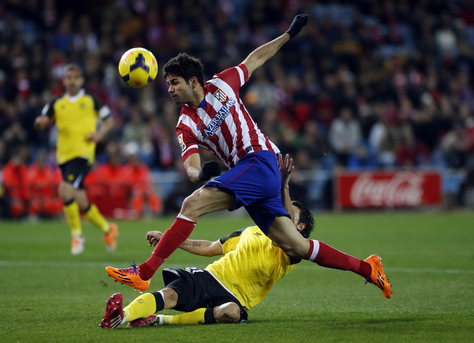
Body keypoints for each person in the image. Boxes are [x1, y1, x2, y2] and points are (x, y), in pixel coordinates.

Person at [106, 15, 391, 299]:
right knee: (296, 247)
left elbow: (256, 58)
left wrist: (288, 34)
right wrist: (201, 174)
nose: (169, 90)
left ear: (194, 81)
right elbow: (191, 167)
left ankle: (143, 273)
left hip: (261, 160)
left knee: (191, 204)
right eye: (168, 84)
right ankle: (368, 268)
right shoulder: (185, 124)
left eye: (175, 82)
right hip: (252, 177)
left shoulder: (223, 84)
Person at [100, 156, 389, 329]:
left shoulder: (290, 250)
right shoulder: (249, 231)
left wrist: (284, 184)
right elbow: (212, 247)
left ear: (299, 227)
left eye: (291, 216)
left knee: (231, 314)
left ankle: (158, 321)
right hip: (214, 276)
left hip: (236, 298)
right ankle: (121, 316)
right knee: (170, 295)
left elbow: (286, 221)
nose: (280, 215)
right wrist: (172, 241)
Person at [34, 63, 118, 255]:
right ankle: (108, 229)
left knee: (64, 190)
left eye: (75, 77)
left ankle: (77, 235)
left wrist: (99, 135)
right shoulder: (56, 103)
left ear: (81, 80)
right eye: (68, 78)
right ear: (64, 81)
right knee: (79, 198)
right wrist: (40, 123)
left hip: (83, 154)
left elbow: (109, 119)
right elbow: (42, 121)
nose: (72, 81)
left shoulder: (91, 101)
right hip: (63, 156)